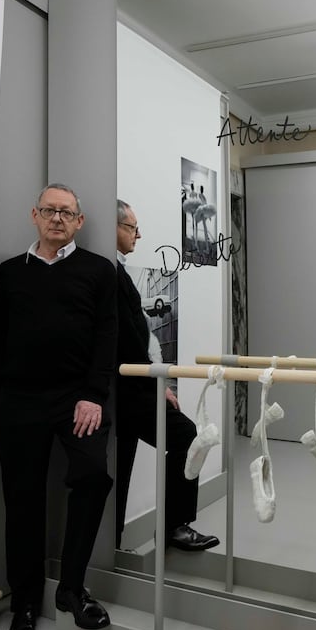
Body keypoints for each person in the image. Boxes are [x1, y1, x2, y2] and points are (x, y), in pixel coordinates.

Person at [0, 184, 118, 630]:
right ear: (35, 216)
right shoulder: (10, 273)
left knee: (92, 477)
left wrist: (92, 395)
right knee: (22, 501)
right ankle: (24, 606)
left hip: (75, 401)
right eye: (50, 211)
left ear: (79, 222)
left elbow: (107, 336)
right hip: (18, 402)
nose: (58, 219)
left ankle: (72, 588)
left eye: (67, 213)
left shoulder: (98, 271)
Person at [113, 200, 220, 554]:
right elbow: (127, 343)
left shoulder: (116, 272)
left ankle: (116, 542)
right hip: (127, 389)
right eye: (132, 227)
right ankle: (174, 526)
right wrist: (157, 386)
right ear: (114, 227)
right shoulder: (110, 274)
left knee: (121, 463)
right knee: (187, 436)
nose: (138, 234)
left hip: (129, 387)